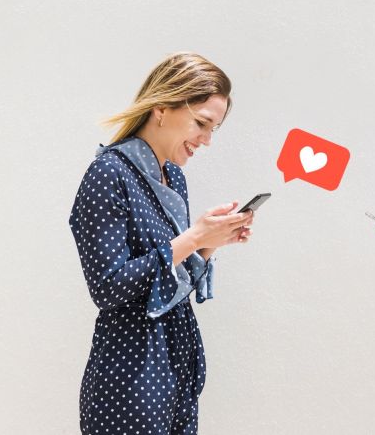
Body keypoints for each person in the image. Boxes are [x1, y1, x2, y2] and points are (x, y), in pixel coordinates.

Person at [69, 52, 255, 435]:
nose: (205, 141)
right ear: (162, 108)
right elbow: (106, 287)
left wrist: (209, 244)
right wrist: (193, 237)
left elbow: (168, 279)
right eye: (201, 124)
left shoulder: (172, 177)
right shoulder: (108, 173)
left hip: (175, 366)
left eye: (213, 130)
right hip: (130, 375)